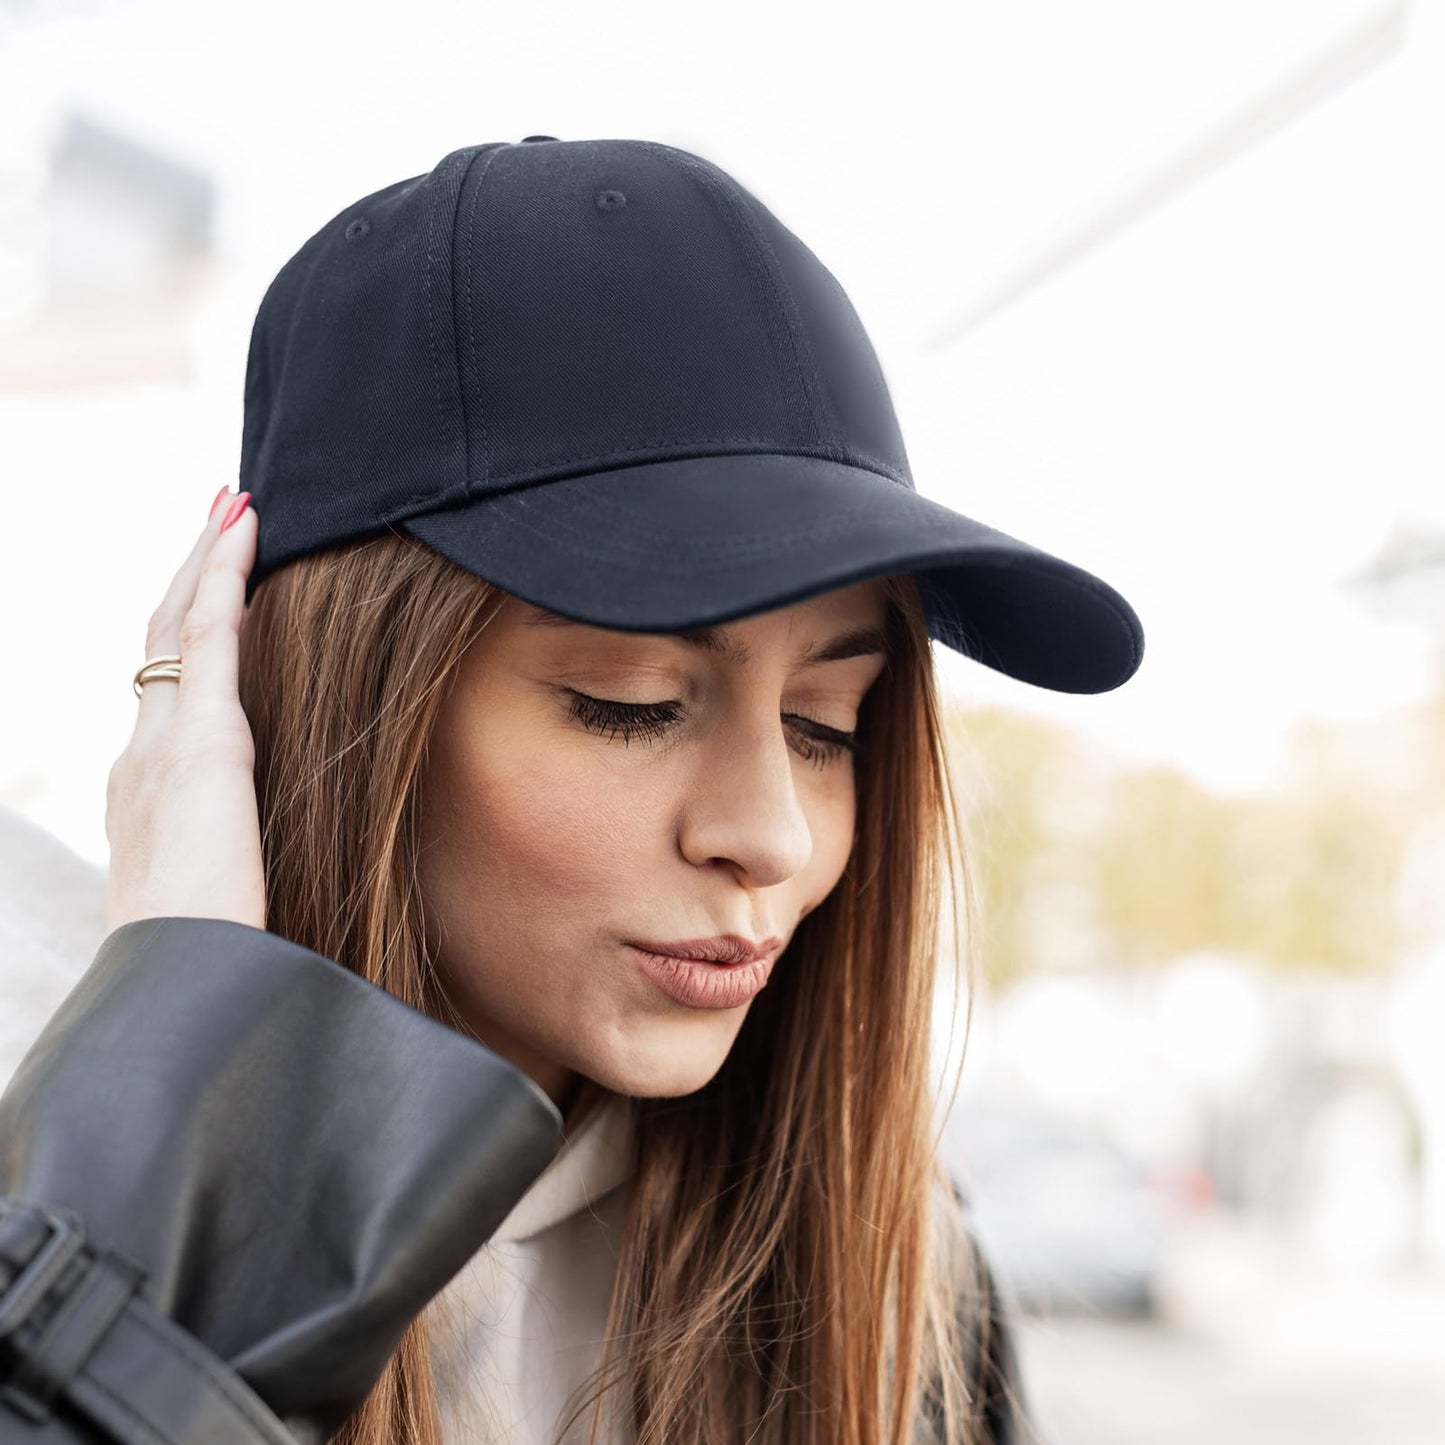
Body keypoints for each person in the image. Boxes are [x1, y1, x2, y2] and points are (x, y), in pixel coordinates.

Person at [1, 134, 1145, 1444]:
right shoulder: (31, 1174)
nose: (769, 833)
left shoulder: (903, 1306)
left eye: (827, 721)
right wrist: (171, 1133)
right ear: (332, 697)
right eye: (632, 702)